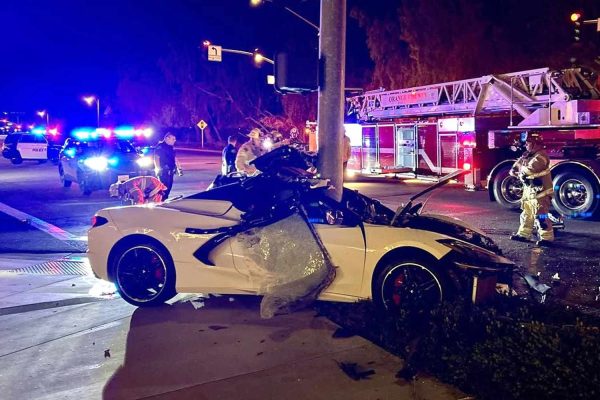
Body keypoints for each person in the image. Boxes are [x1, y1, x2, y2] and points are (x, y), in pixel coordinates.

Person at [509, 132, 554, 246]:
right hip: (530, 191)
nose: (526, 145)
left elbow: (529, 170)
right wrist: (517, 168)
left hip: (541, 193)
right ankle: (523, 235)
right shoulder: (528, 155)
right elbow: (514, 168)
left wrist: (519, 169)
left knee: (541, 216)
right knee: (526, 214)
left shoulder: (541, 156)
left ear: (535, 144)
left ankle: (547, 238)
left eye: (528, 143)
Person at [153, 132, 181, 199]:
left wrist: (179, 168)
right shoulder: (160, 147)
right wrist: (158, 169)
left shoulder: (171, 147)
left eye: (175, 139)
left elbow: (174, 158)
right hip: (163, 171)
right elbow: (156, 158)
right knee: (163, 187)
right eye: (173, 139)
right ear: (166, 138)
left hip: (171, 170)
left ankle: (164, 199)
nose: (175, 140)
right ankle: (160, 200)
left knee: (169, 186)